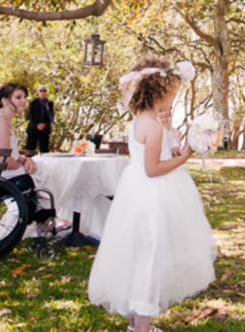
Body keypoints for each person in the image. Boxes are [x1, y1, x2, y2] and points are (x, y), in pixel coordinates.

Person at [88, 56, 217, 332]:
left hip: (135, 193)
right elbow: (153, 169)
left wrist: (172, 148)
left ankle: (136, 326)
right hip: (153, 195)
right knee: (150, 257)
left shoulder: (141, 119)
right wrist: (185, 156)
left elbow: (151, 157)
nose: (174, 98)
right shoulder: (154, 125)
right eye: (173, 93)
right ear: (159, 92)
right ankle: (142, 327)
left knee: (140, 255)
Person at [0, 83, 68, 230]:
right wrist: (24, 165)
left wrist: (25, 159)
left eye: (24, 97)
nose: (23, 101)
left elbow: (11, 153)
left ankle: (45, 218)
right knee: (40, 171)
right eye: (18, 97)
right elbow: (3, 160)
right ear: (5, 100)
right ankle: (45, 219)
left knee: (42, 167)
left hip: (1, 169)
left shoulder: (5, 120)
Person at [25, 85, 55, 154]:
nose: (43, 92)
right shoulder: (33, 102)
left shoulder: (49, 103)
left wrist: (44, 124)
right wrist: (36, 125)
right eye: (41, 90)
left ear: (46, 92)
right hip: (33, 129)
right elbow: (29, 116)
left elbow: (51, 116)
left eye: (44, 90)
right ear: (38, 92)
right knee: (30, 150)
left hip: (44, 130)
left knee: (44, 151)